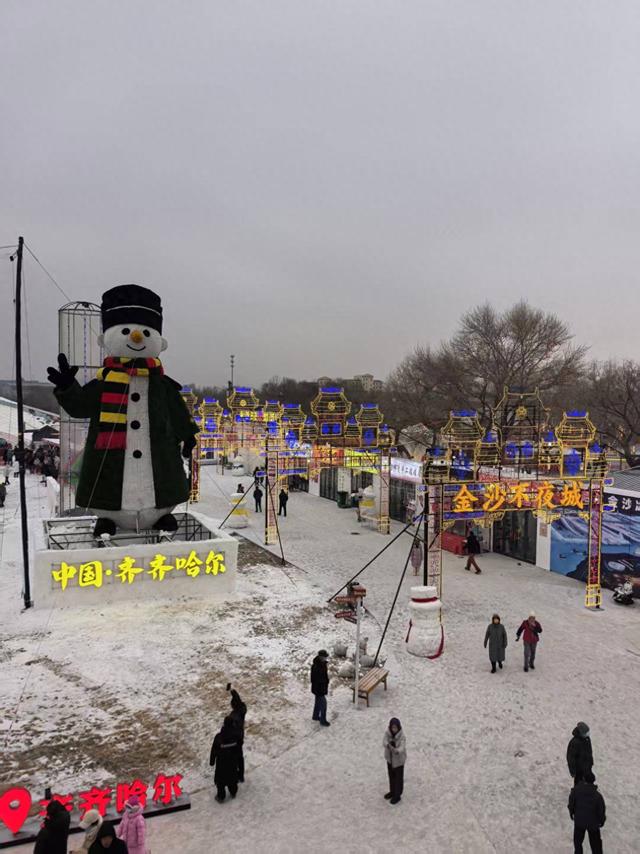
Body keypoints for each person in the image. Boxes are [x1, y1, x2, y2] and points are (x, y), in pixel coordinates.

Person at [568, 770, 605, 854]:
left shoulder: (576, 790)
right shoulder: (597, 795)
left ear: (584, 779)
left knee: (578, 843)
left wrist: (572, 812)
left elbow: (571, 803)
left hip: (579, 821)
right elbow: (601, 810)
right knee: (596, 845)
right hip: (593, 824)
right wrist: (602, 821)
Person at [209, 715, 242, 802]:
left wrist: (212, 762)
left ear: (224, 724)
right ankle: (233, 792)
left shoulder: (219, 737)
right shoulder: (236, 736)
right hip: (232, 763)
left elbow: (214, 750)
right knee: (232, 778)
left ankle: (221, 796)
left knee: (220, 781)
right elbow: (239, 748)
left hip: (221, 764)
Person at [383, 718, 407, 805]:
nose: (394, 730)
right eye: (392, 728)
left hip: (399, 762)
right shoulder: (387, 734)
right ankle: (392, 791)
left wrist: (397, 751)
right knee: (391, 777)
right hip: (390, 760)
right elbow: (384, 741)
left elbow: (402, 747)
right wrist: (388, 745)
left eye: (395, 728)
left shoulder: (402, 736)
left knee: (398, 779)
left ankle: (397, 795)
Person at [228, 683, 247, 782]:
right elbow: (238, 699)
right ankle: (241, 775)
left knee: (234, 758)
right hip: (240, 737)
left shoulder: (233, 717)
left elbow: (230, 729)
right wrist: (232, 691)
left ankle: (235, 775)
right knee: (240, 757)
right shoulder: (242, 709)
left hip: (235, 740)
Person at [310, 649, 330, 726]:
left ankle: (315, 716)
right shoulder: (316, 667)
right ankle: (323, 720)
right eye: (324, 657)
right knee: (323, 705)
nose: (326, 658)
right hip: (319, 689)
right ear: (321, 657)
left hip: (319, 688)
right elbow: (315, 679)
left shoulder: (322, 664)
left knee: (318, 703)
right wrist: (324, 683)